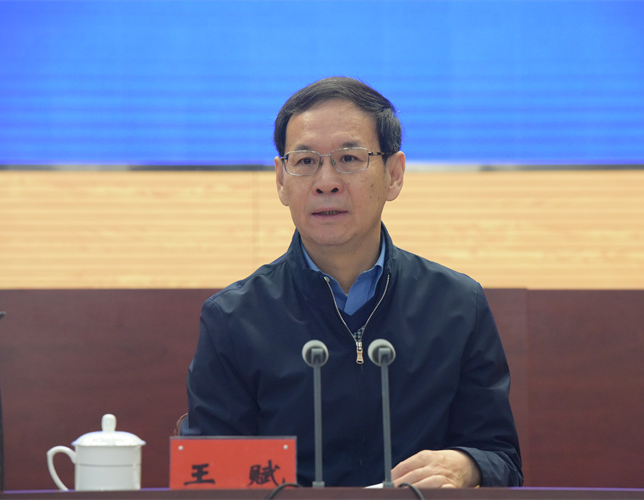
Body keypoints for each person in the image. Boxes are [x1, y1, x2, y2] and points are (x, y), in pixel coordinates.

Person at [183, 76, 523, 488]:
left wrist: (466, 465)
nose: (326, 181)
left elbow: (501, 458)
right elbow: (210, 479)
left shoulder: (456, 305)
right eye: (305, 161)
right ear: (281, 180)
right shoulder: (234, 318)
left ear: (394, 174)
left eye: (349, 158)